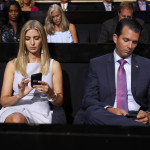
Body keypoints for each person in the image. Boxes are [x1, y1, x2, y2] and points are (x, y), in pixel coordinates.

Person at [74, 18, 150, 126]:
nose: (130, 46)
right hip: (108, 114)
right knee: (91, 113)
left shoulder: (147, 65)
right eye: (126, 40)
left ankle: (133, 125)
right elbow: (89, 99)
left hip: (136, 115)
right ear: (115, 38)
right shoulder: (98, 64)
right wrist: (109, 109)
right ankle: (135, 127)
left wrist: (148, 115)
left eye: (134, 42)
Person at [0, 20, 66, 124]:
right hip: (14, 109)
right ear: (23, 41)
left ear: (42, 40)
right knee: (17, 119)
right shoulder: (12, 64)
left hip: (40, 111)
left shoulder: (54, 65)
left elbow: (59, 102)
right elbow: (4, 101)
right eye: (27, 39)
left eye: (36, 38)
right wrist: (19, 95)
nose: (32, 43)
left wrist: (50, 93)